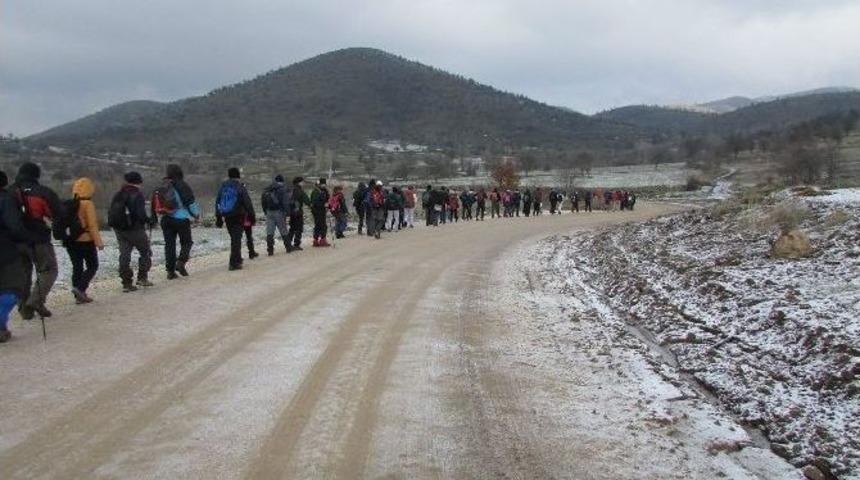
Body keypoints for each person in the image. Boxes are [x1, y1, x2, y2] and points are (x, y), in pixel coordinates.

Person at [11, 162, 63, 319]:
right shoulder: (43, 192)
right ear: (37, 175)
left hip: (14, 241)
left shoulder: (8, 191)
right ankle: (35, 300)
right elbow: (57, 214)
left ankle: (24, 309)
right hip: (38, 238)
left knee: (23, 274)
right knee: (48, 270)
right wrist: (58, 232)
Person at [0, 170, 42, 342]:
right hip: (5, 249)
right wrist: (31, 237)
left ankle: (2, 329)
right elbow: (15, 227)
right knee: (13, 287)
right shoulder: (5, 200)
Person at [151, 164, 200, 279]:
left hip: (166, 219)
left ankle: (170, 271)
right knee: (187, 242)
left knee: (169, 245)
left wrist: (153, 219)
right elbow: (190, 202)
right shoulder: (182, 185)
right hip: (181, 218)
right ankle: (181, 262)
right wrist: (196, 214)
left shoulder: (161, 186)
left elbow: (154, 204)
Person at [108, 171, 153, 292]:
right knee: (146, 252)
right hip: (135, 229)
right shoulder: (137, 195)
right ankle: (142, 277)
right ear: (138, 182)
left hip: (119, 230)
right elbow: (140, 214)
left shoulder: (118, 194)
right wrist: (149, 221)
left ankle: (126, 282)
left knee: (124, 255)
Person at [64, 177, 104, 304]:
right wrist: (99, 242)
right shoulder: (88, 204)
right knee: (92, 265)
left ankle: (78, 296)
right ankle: (80, 289)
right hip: (85, 239)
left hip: (71, 240)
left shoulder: (70, 203)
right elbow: (92, 224)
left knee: (77, 267)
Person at [215, 168, 255, 271]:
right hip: (238, 215)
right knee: (236, 239)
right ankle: (233, 263)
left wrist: (218, 218)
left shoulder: (223, 186)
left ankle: (237, 258)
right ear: (238, 175)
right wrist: (252, 216)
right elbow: (247, 203)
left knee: (234, 238)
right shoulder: (239, 186)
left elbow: (218, 202)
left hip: (227, 216)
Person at [261, 174, 291, 256]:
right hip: (279, 212)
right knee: (283, 230)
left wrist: (265, 211)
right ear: (282, 181)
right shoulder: (282, 189)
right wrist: (288, 213)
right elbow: (285, 203)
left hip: (269, 212)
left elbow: (263, 201)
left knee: (270, 232)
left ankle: (270, 250)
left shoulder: (268, 189)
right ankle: (288, 248)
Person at [287, 177, 310, 250]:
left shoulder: (290, 190)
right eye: (302, 182)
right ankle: (296, 244)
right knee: (299, 229)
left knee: (292, 228)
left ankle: (288, 244)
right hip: (298, 212)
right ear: (299, 182)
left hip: (291, 213)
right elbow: (307, 201)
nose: (303, 183)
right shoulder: (300, 191)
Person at [310, 178, 331, 247]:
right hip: (318, 211)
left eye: (324, 184)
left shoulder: (323, 191)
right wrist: (324, 204)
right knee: (322, 226)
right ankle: (322, 240)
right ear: (319, 184)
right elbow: (315, 202)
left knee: (318, 225)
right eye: (323, 184)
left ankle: (316, 240)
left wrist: (328, 205)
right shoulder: (316, 192)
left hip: (321, 211)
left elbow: (326, 199)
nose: (324, 185)